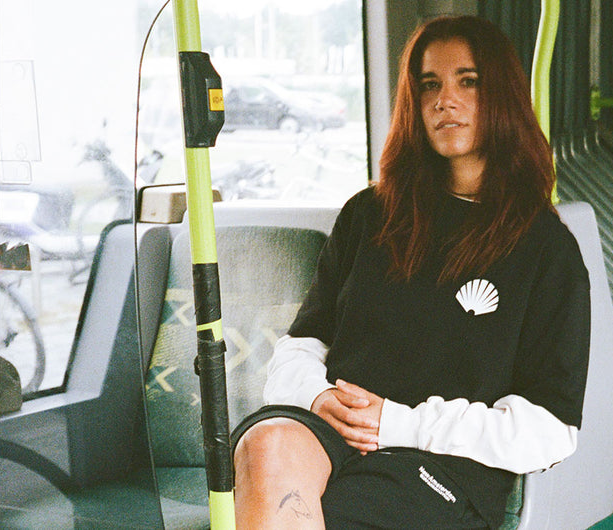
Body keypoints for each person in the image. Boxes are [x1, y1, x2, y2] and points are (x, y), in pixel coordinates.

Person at [231, 15, 589, 529]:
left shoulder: (545, 249)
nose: (445, 100)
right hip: (333, 432)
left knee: (327, 515)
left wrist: (397, 423)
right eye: (429, 85)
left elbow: (550, 431)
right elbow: (300, 347)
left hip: (440, 465)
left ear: (503, 97)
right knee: (265, 445)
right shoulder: (369, 214)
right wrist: (318, 397)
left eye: (468, 82)